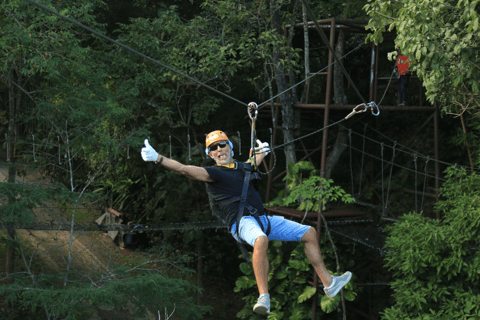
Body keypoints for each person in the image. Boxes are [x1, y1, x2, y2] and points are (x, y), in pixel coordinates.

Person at [141, 130, 352, 315]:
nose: (218, 150)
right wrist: (158, 158)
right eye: (213, 149)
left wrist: (262, 151)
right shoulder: (213, 173)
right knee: (260, 240)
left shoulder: (243, 167)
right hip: (242, 223)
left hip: (264, 219)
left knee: (309, 233)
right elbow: (184, 169)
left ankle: (329, 283)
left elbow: (252, 163)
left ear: (229, 147)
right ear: (210, 155)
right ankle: (264, 297)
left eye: (221, 145)